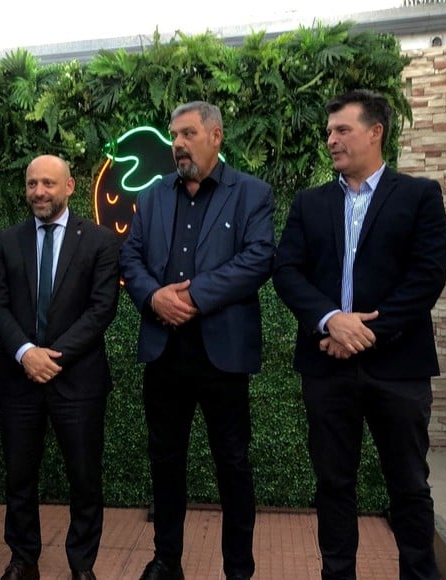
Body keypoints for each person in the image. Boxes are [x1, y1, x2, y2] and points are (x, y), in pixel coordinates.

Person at [272, 89, 446, 580]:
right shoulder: (310, 204)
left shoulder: (419, 195)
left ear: (376, 132)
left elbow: (426, 277)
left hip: (399, 367)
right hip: (326, 367)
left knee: (409, 485)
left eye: (342, 130)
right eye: (329, 132)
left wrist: (364, 332)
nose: (331, 140)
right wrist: (331, 320)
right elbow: (286, 270)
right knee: (333, 484)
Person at [120, 101, 276, 580]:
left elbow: (258, 259)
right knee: (165, 463)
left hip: (222, 356)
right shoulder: (152, 197)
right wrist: (153, 298)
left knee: (233, 464)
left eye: (188, 133)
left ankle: (238, 570)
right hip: (164, 353)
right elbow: (131, 257)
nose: (178, 144)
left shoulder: (251, 193)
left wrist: (192, 297)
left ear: (216, 137)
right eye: (174, 135)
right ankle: (167, 561)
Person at [0, 154, 120, 580]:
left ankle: (82, 566)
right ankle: (23, 560)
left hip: (78, 380)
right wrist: (26, 352)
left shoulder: (99, 241)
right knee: (19, 477)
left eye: (48, 183)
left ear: (70, 187)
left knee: (85, 478)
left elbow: (101, 310)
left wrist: (51, 356)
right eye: (31, 184)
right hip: (19, 379)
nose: (39, 192)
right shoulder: (7, 241)